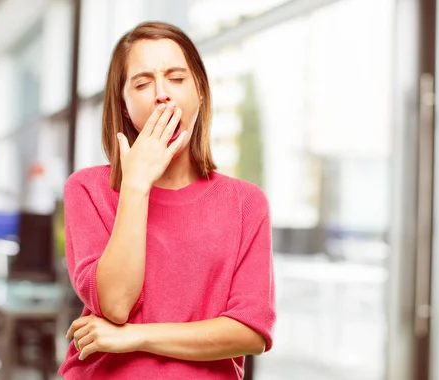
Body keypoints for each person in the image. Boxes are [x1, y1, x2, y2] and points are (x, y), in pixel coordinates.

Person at [59, 21, 276, 380]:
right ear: (124, 105)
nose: (162, 94)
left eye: (176, 78)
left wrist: (136, 337)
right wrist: (136, 185)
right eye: (142, 83)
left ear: (201, 92)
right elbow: (114, 304)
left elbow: (249, 333)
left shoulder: (246, 202)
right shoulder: (87, 189)